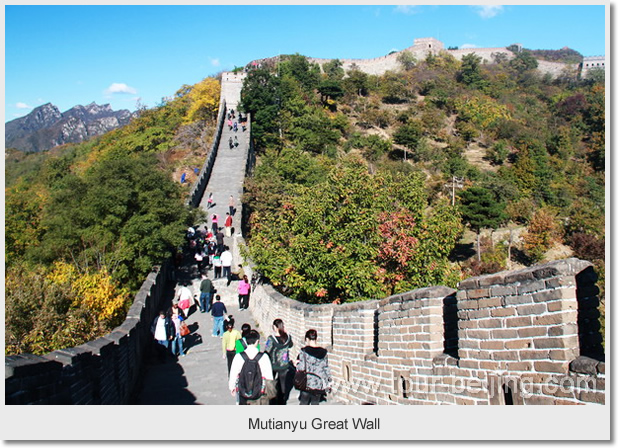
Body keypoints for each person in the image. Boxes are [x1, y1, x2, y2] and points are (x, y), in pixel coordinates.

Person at [228, 330, 273, 405]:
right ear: (257, 341)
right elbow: (269, 376)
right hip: (260, 391)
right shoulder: (264, 357)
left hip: (243, 391)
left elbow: (233, 373)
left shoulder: (239, 356)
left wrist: (232, 387)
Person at [295, 329, 331, 405]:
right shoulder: (323, 352)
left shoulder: (304, 351)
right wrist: (329, 381)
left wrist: (296, 364)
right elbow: (326, 368)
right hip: (318, 382)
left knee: (304, 403)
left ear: (307, 339)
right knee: (315, 403)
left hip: (307, 382)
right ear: (316, 339)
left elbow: (301, 367)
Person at [265, 319, 293, 405]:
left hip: (273, 365)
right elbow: (291, 345)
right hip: (284, 365)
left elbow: (266, 351)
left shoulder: (271, 339)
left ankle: (273, 399)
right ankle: (282, 400)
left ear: (275, 327)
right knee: (283, 384)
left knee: (271, 383)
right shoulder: (287, 337)